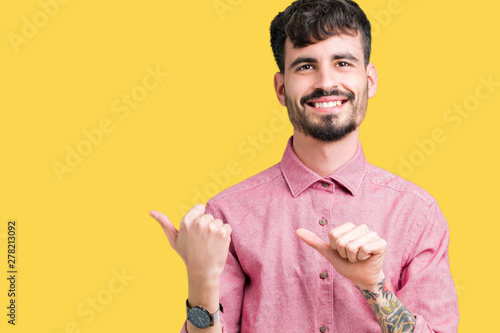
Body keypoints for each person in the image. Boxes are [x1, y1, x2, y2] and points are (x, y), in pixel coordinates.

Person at [149, 0, 460, 331]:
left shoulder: (417, 213)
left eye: (342, 62)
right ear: (281, 88)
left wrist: (375, 287)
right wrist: (201, 280)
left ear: (370, 80)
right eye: (306, 66)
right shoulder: (227, 215)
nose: (326, 82)